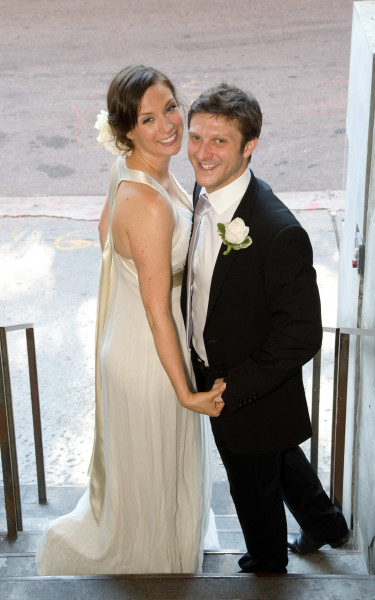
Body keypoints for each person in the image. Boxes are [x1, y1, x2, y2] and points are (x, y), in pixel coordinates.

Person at [36, 65, 225, 576]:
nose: (168, 125)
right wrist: (185, 391)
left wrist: (129, 268)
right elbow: (156, 308)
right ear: (126, 132)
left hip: (138, 341)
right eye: (148, 119)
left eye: (170, 107)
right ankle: (150, 571)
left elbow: (103, 233)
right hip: (148, 357)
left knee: (151, 475)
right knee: (154, 474)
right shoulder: (148, 202)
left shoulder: (136, 167)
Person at [181, 82, 350, 573]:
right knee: (276, 455)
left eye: (219, 142)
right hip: (232, 380)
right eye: (196, 138)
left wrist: (231, 388)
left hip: (244, 387)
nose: (202, 153)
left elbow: (301, 333)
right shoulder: (205, 190)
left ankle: (269, 561)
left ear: (248, 147)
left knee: (251, 481)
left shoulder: (278, 230)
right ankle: (327, 525)